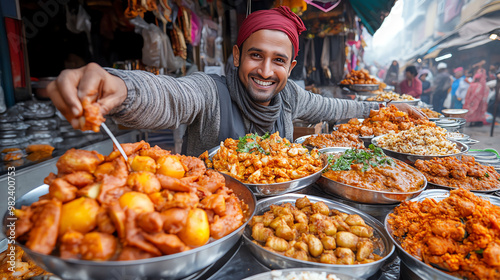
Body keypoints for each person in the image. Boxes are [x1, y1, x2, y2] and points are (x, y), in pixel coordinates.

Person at [47, 6, 423, 156]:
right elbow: (172, 96)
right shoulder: (211, 91)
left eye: (278, 61)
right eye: (255, 55)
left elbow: (340, 108)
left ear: (290, 67)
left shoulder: (290, 95)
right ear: (236, 56)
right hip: (210, 229)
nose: (264, 71)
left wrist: (387, 107)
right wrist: (123, 88)